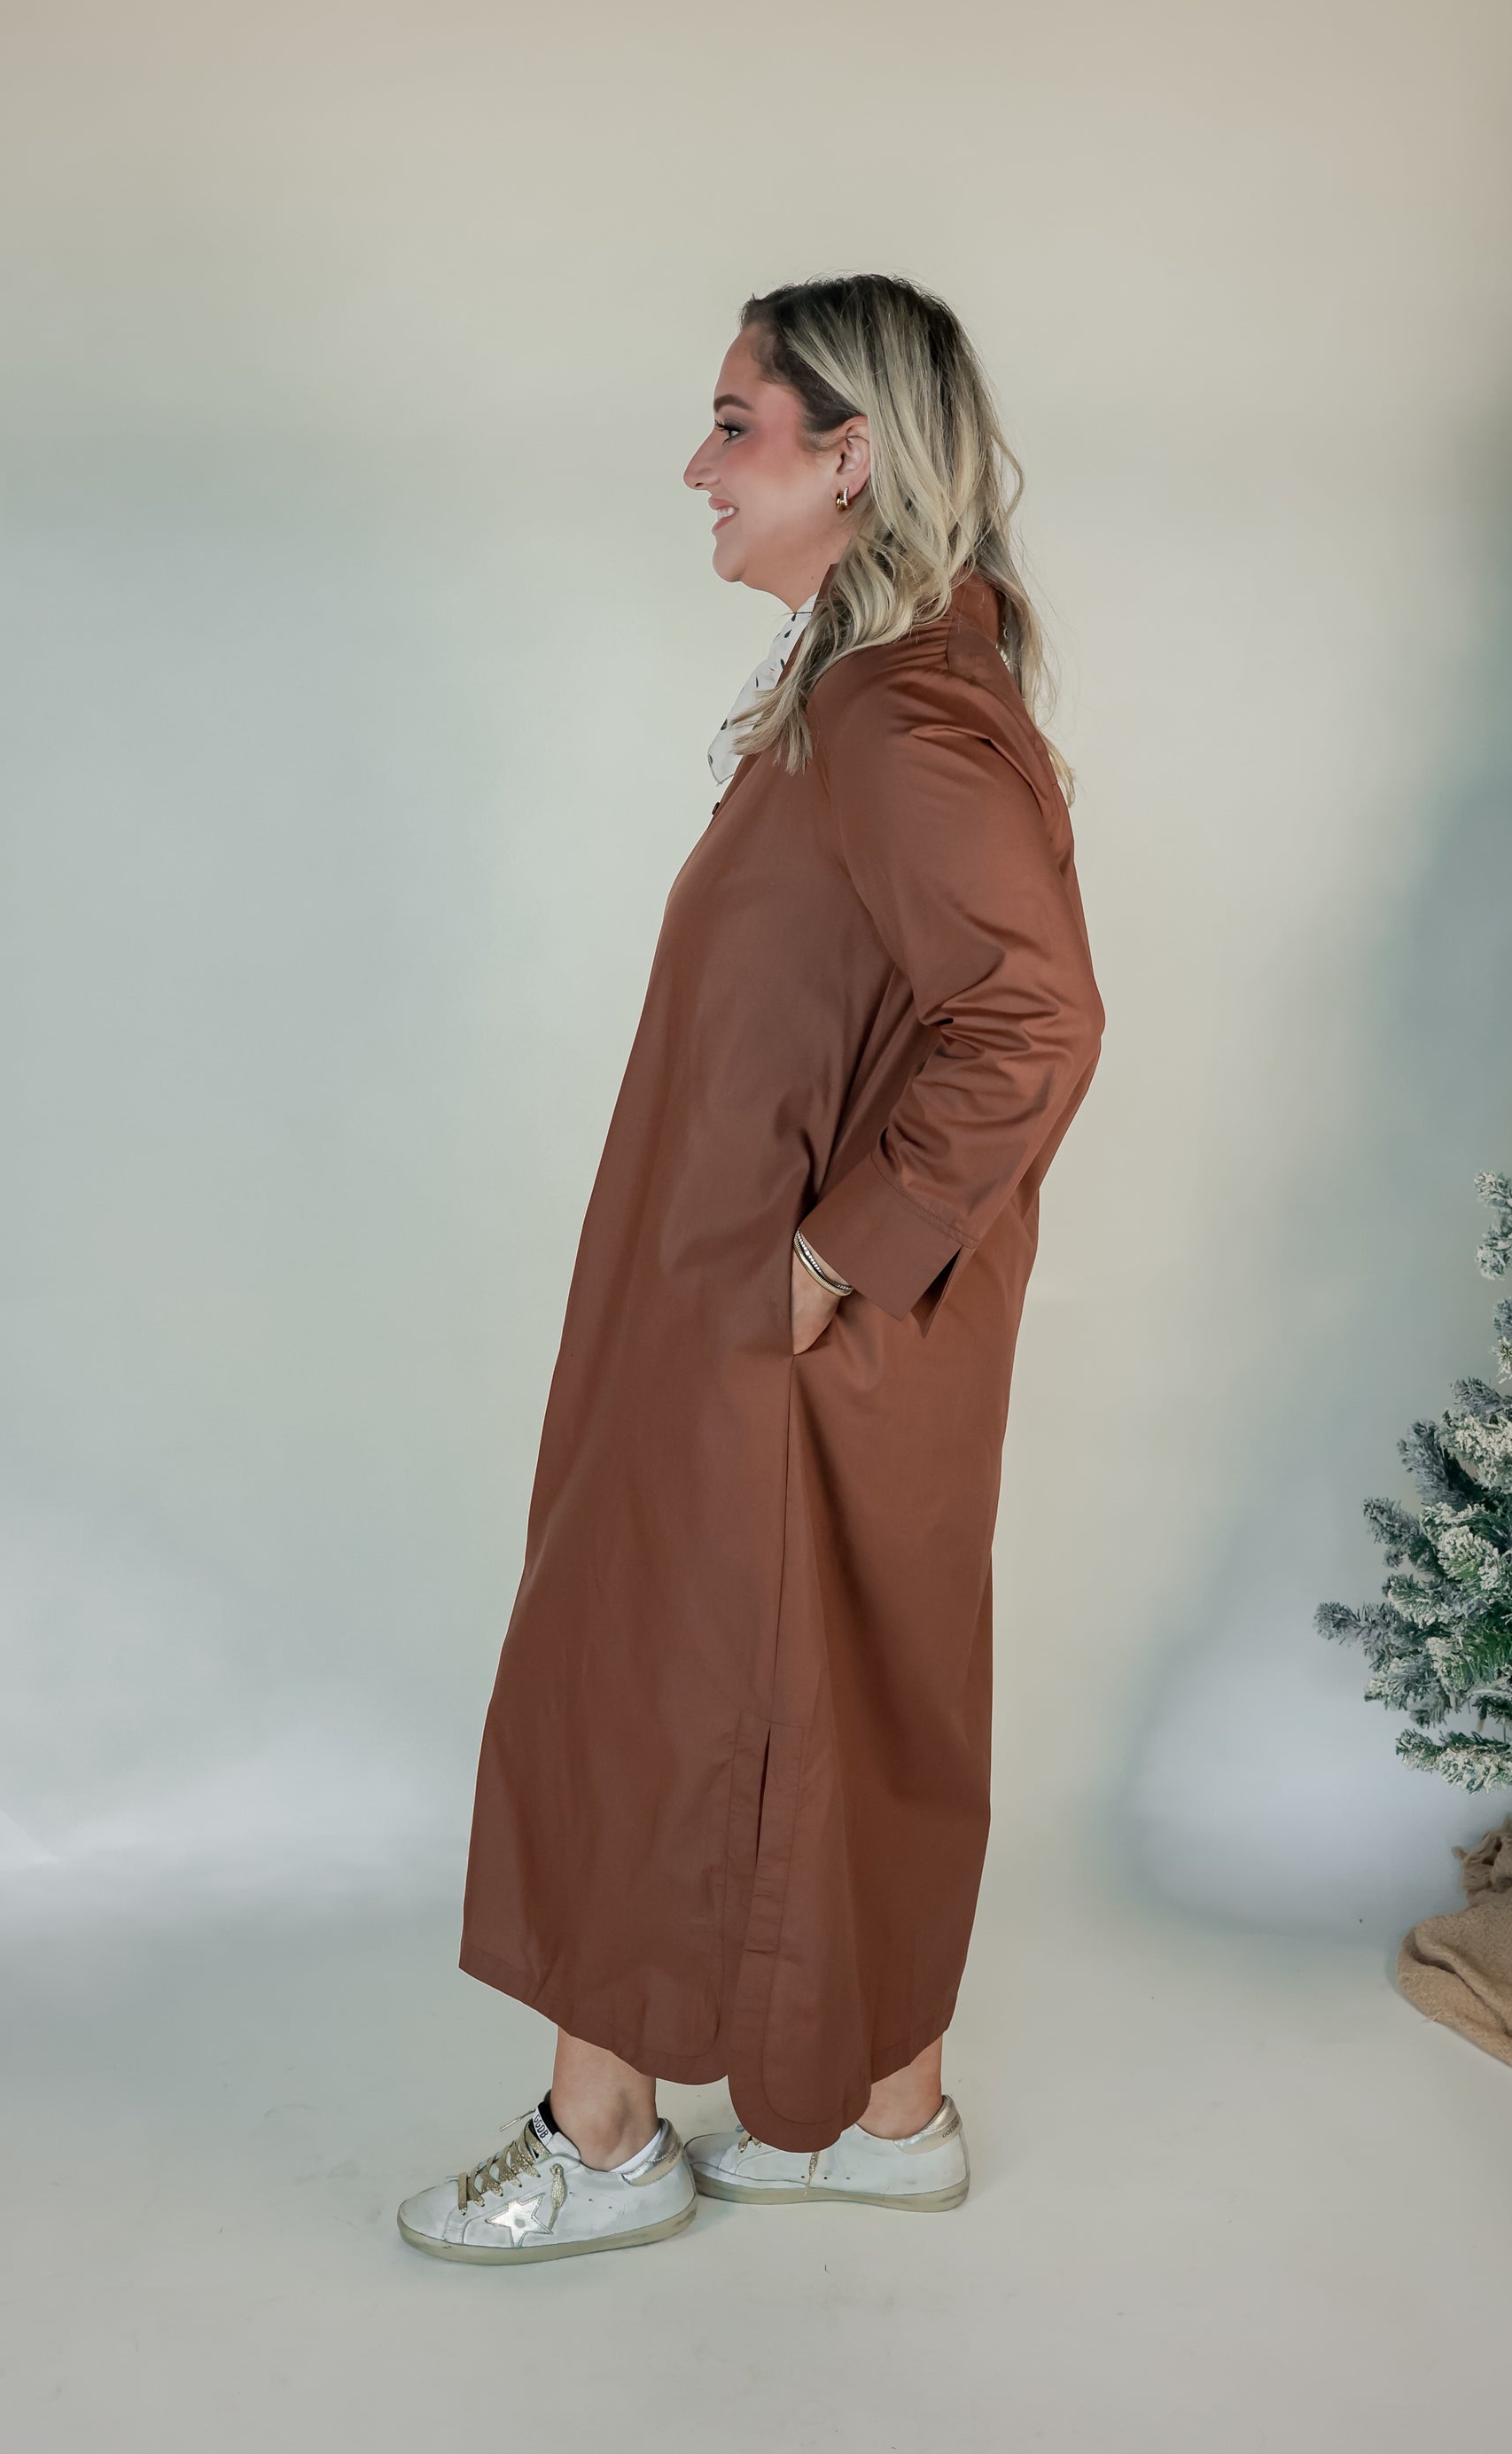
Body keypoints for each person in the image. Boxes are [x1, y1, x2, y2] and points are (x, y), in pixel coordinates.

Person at [399, 274, 1104, 2265]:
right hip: (783, 1318)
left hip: (783, 1329)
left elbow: (1031, 1019)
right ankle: (887, 2119)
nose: (699, 466)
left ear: (850, 455)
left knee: (648, 1676)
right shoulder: (874, 687)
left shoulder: (894, 713)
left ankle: (602, 2133)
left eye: (735, 424)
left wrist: (824, 1259)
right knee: (841, 1693)